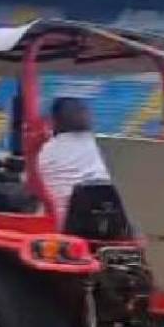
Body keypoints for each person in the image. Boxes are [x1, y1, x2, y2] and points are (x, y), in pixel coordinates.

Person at [36, 97, 110, 228]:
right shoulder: (102, 146)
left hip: (59, 224)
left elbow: (30, 186)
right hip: (103, 223)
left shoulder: (45, 151)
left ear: (54, 121)